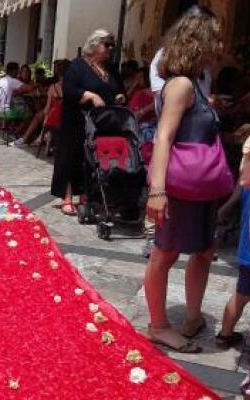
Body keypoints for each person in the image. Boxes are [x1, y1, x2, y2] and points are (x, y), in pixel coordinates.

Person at [144, 5, 223, 353]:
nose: (219, 47)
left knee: (203, 251)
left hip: (200, 186)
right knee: (165, 253)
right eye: (214, 39)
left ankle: (193, 317)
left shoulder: (195, 84)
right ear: (199, 41)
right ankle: (159, 326)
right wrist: (157, 191)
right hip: (180, 187)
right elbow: (163, 137)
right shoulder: (179, 85)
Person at [50, 29, 125, 216]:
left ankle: (86, 195)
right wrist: (89, 95)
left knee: (92, 159)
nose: (109, 49)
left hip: (101, 121)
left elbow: (118, 88)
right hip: (76, 119)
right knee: (70, 157)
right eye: (105, 44)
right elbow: (69, 90)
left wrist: (120, 95)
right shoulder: (77, 66)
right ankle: (67, 197)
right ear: (93, 45)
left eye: (111, 45)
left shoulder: (112, 68)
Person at [37, 59, 71, 156]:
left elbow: (47, 108)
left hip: (54, 120)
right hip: (68, 119)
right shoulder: (73, 87)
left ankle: (46, 142)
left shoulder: (53, 87)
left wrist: (45, 120)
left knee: (49, 114)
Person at [0, 62, 34, 131]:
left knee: (17, 105)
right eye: (18, 70)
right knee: (30, 114)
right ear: (14, 70)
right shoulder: (13, 81)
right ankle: (17, 131)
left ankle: (11, 127)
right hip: (7, 112)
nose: (19, 72)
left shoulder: (0, 80)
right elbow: (29, 88)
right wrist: (38, 85)